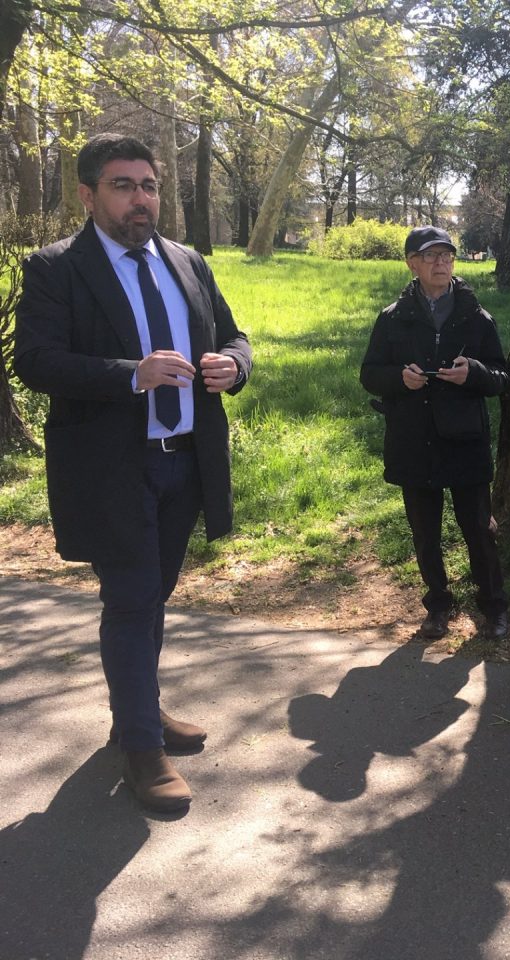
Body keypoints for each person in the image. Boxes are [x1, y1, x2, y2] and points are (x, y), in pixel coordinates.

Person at [14, 133, 252, 812]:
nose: (140, 198)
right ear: (88, 196)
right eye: (122, 185)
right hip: (112, 469)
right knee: (130, 600)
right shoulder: (58, 267)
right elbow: (34, 360)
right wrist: (131, 375)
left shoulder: (187, 260)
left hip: (186, 461)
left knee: (154, 597)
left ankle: (136, 711)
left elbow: (233, 336)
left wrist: (234, 366)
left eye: (148, 185)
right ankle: (143, 751)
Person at [361, 226, 510, 642]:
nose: (441, 263)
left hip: (465, 441)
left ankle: (494, 606)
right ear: (412, 263)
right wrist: (399, 378)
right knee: (425, 533)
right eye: (431, 256)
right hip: (414, 440)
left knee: (478, 529)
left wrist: (473, 372)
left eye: (447, 256)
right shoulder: (393, 318)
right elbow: (369, 374)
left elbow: (501, 376)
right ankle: (438, 606)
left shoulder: (476, 317)